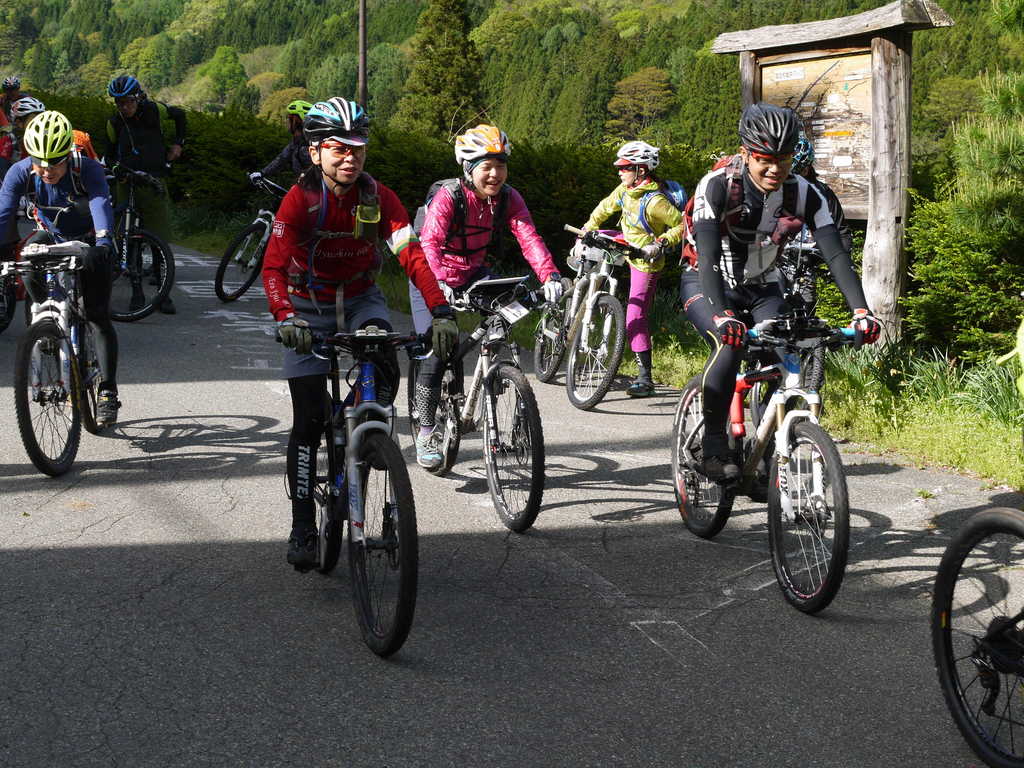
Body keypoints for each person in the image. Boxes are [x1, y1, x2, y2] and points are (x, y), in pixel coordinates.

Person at [261, 97, 457, 570]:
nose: (350, 157)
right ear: (315, 152)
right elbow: (272, 266)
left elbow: (412, 256)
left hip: (361, 298)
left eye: (358, 148)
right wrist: (286, 317)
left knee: (384, 362)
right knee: (308, 418)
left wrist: (440, 309)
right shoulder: (300, 199)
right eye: (338, 148)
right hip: (306, 305)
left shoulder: (378, 197)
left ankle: (366, 431)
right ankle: (303, 525)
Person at [681, 102, 880, 482]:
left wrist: (861, 311)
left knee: (784, 351)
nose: (775, 169)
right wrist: (723, 315)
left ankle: (767, 452)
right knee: (730, 346)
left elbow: (835, 254)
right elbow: (706, 257)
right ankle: (713, 445)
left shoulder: (805, 193)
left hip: (763, 285)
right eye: (765, 160)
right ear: (745, 154)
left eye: (784, 159)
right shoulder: (717, 185)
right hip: (707, 281)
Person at [407, 124, 562, 470]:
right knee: (437, 349)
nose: (495, 174)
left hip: (473, 274)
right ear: (468, 168)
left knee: (502, 323)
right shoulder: (450, 196)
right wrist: (437, 286)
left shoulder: (508, 197)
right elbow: (429, 244)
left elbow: (528, 237)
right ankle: (426, 430)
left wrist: (549, 276)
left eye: (500, 165)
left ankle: (498, 386)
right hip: (430, 276)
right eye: (486, 166)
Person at [0, 110, 120, 425]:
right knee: (28, 256)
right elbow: (4, 214)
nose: (47, 169)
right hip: (53, 236)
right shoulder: (20, 172)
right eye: (39, 162)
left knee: (96, 315)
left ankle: (107, 390)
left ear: (67, 154)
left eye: (54, 162)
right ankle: (49, 325)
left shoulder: (87, 169)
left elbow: (100, 203)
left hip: (90, 239)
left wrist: (104, 243)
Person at [580, 140, 683, 397]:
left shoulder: (655, 202)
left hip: (645, 259)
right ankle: (579, 300)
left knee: (635, 316)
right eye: (620, 167)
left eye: (625, 167)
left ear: (641, 170)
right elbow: (606, 206)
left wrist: (660, 243)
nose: (619, 172)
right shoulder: (626, 189)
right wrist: (588, 227)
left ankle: (645, 378)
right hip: (625, 243)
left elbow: (682, 226)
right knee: (589, 245)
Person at [103, 74, 186, 314]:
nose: (124, 107)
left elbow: (180, 115)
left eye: (128, 101)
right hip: (127, 182)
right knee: (128, 239)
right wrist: (116, 169)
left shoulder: (155, 110)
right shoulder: (114, 123)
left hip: (153, 180)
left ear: (138, 97)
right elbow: (108, 156)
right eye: (119, 103)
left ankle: (162, 293)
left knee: (158, 239)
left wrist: (178, 144)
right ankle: (137, 292)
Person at [777, 132, 853, 310]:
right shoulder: (775, 190)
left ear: (807, 168)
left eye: (799, 172)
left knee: (805, 308)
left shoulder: (822, 193)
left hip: (807, 262)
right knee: (775, 304)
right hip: (778, 260)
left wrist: (839, 262)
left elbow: (841, 230)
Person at [248, 99, 314, 185]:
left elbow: (318, 171)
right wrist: (262, 173)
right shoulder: (297, 142)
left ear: (297, 121)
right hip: (304, 186)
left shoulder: (308, 145)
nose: (287, 121)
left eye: (290, 118)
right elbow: (281, 158)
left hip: (313, 189)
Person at [11, 97, 98, 160]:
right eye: (34, 118)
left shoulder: (77, 137)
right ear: (19, 123)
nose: (40, 121)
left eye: (42, 116)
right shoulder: (18, 145)